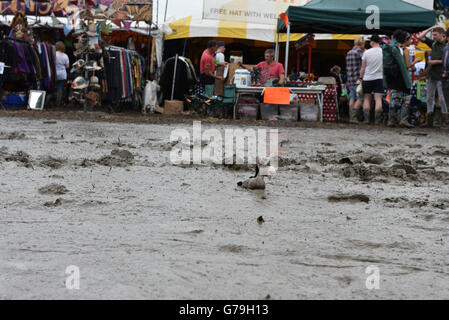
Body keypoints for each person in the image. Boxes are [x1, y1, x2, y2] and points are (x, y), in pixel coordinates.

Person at [384, 30, 418, 128]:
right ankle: (404, 119)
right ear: (405, 40)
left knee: (393, 98)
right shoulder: (405, 51)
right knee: (406, 99)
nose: (411, 41)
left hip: (392, 77)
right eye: (410, 39)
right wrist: (416, 61)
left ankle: (391, 120)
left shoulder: (393, 49)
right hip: (403, 78)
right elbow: (408, 65)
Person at [418, 26, 448, 127]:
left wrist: (436, 61)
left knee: (442, 98)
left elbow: (446, 60)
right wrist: (431, 28)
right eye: (433, 35)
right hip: (431, 75)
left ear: (442, 34)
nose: (433, 36)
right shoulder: (433, 43)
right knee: (429, 97)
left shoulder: (446, 45)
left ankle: (444, 120)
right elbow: (420, 37)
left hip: (441, 75)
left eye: (435, 35)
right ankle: (429, 120)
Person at [359, 35, 384, 125]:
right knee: (378, 99)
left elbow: (363, 67)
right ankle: (377, 120)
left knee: (366, 98)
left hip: (367, 78)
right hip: (379, 78)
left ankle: (367, 119)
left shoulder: (367, 52)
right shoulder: (383, 52)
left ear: (373, 42)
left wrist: (360, 78)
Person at [346, 36, 365, 123]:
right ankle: (354, 117)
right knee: (360, 99)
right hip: (358, 79)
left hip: (350, 79)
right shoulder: (360, 52)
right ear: (361, 43)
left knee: (352, 98)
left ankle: (351, 117)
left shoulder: (349, 52)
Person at [55, 41, 69, 107]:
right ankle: (58, 102)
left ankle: (51, 100)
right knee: (60, 87)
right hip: (62, 73)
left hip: (54, 73)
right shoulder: (65, 55)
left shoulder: (54, 54)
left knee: (53, 87)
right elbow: (67, 66)